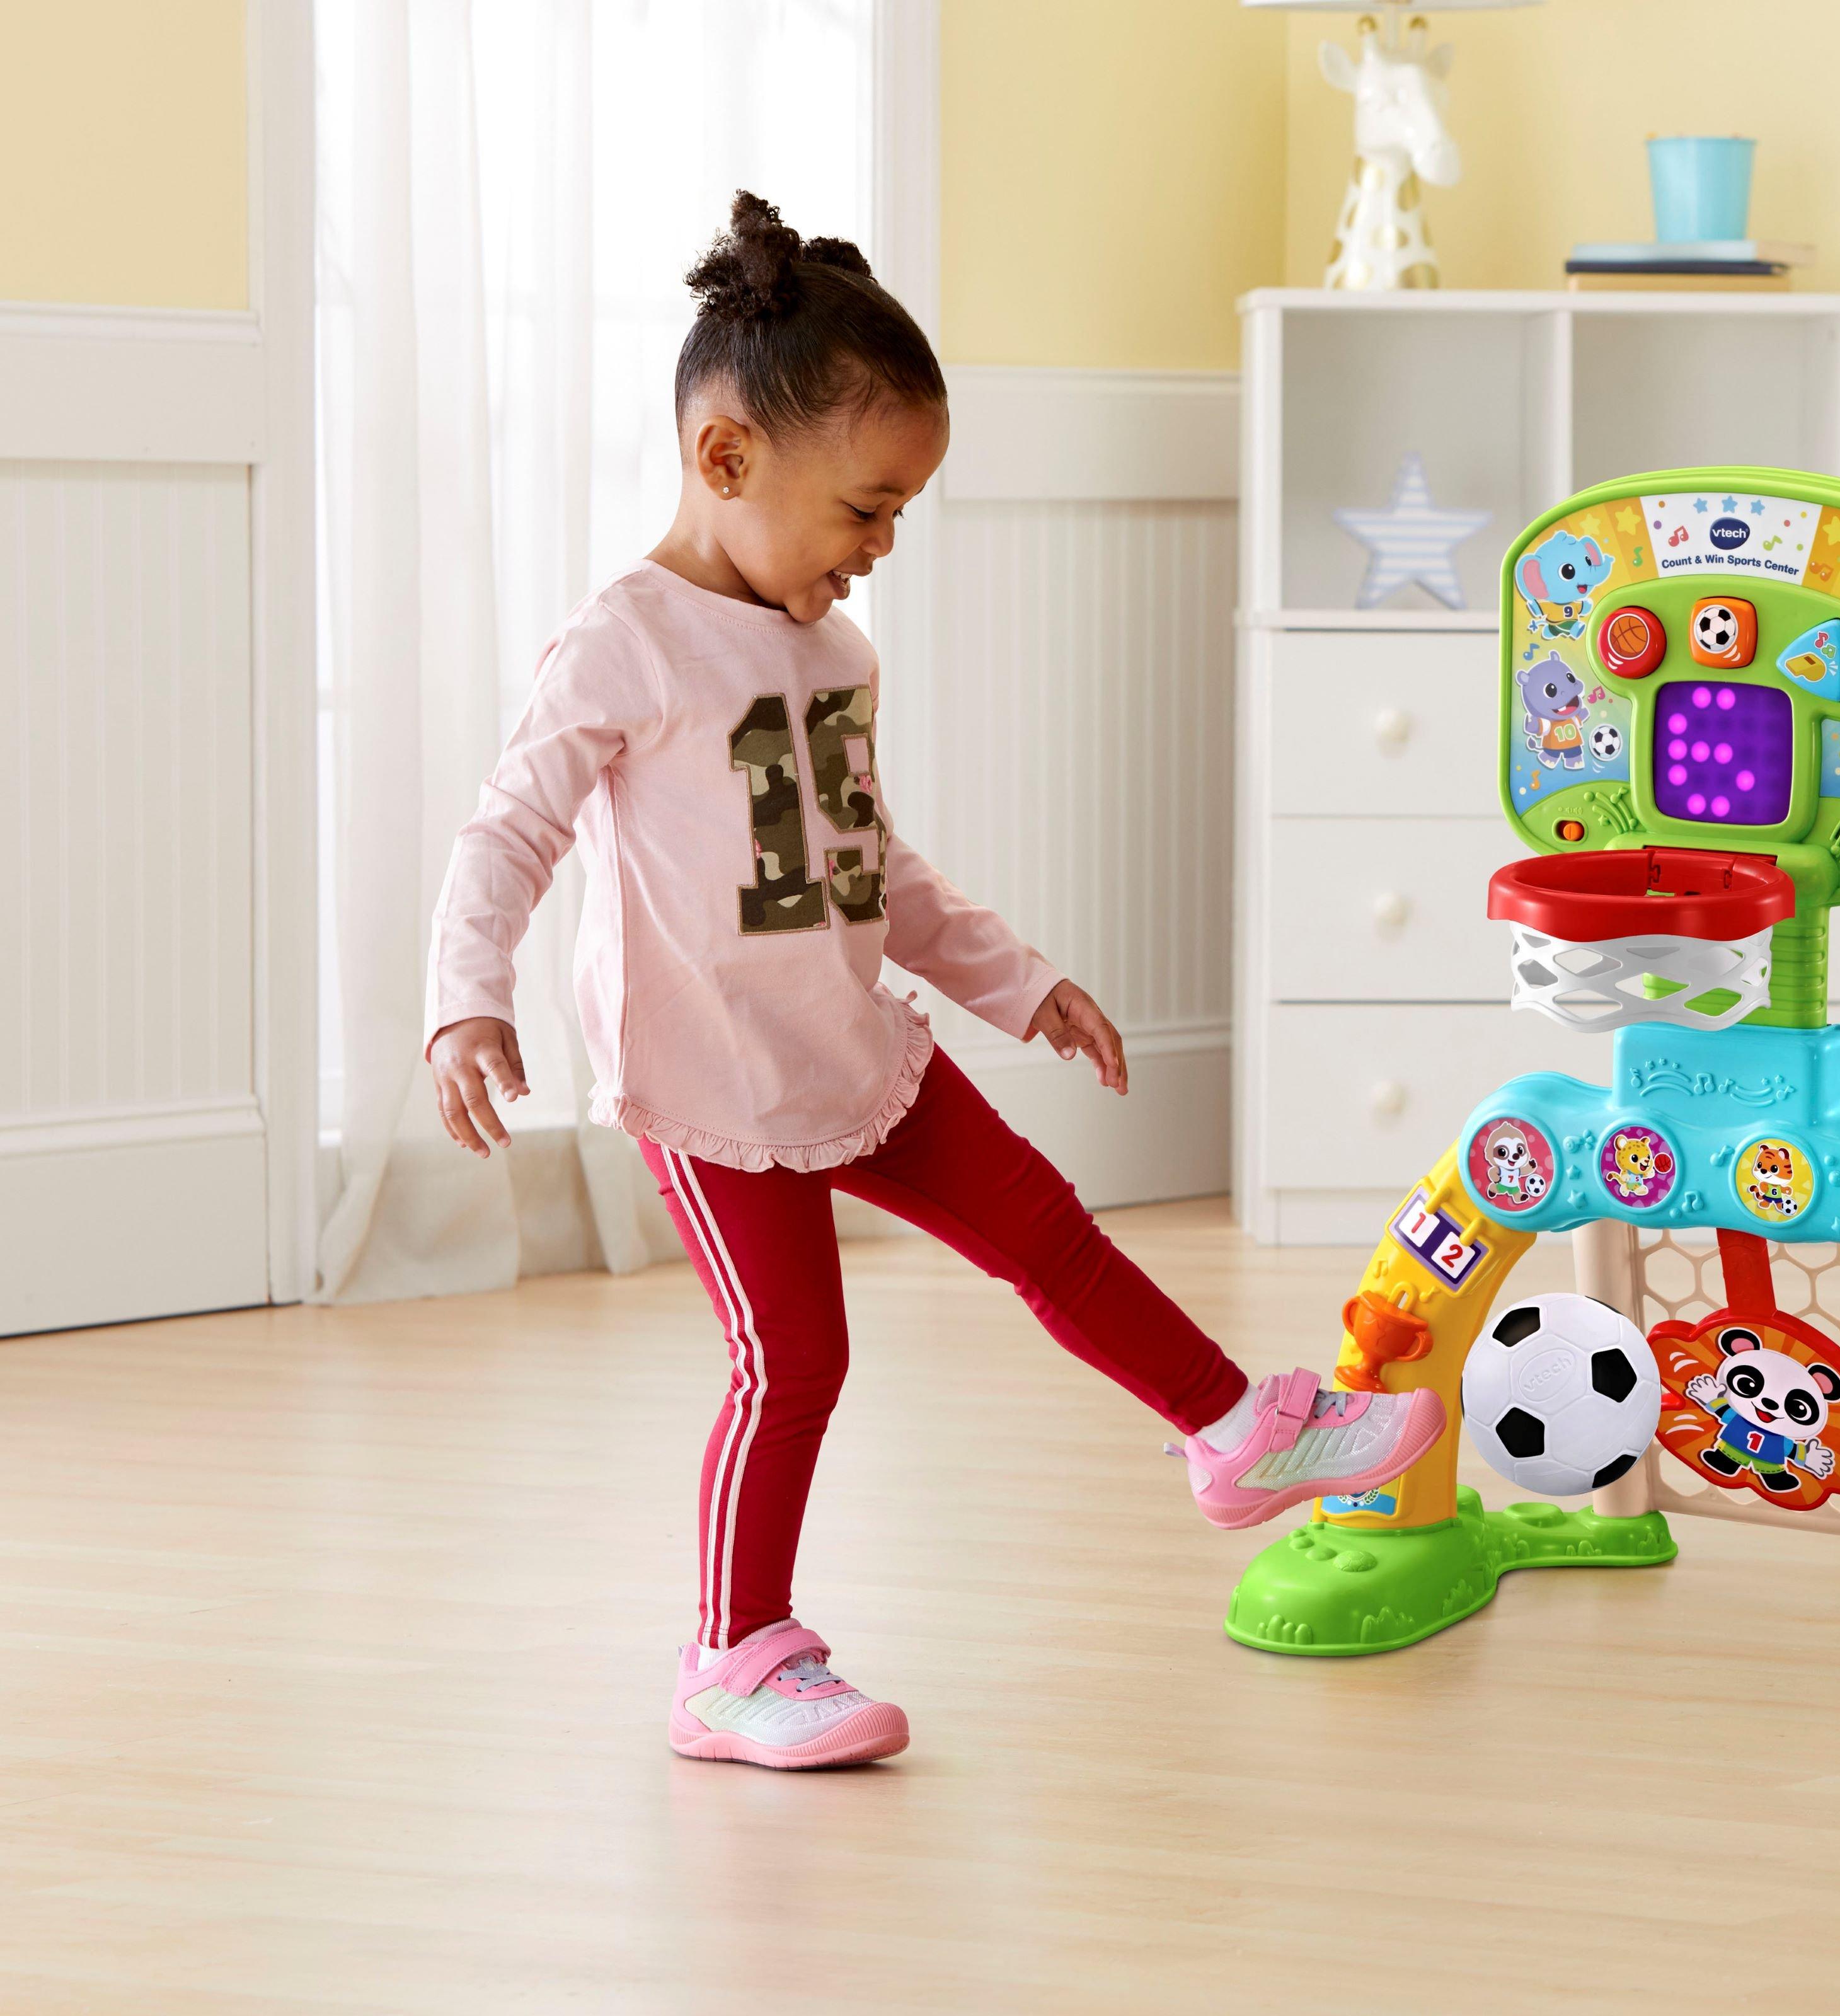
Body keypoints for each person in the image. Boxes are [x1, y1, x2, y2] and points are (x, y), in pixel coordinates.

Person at [425, 193, 1435, 1770]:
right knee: (794, 1359)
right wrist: (465, 993)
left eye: (899, 512)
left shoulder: (835, 656)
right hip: (713, 1080)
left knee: (1048, 1230)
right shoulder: (624, 644)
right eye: (867, 508)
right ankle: (733, 1656)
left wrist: (1018, 984)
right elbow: (510, 829)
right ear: (725, 458)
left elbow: (872, 867)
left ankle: (1236, 1430)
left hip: (852, 1045)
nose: (882, 546)